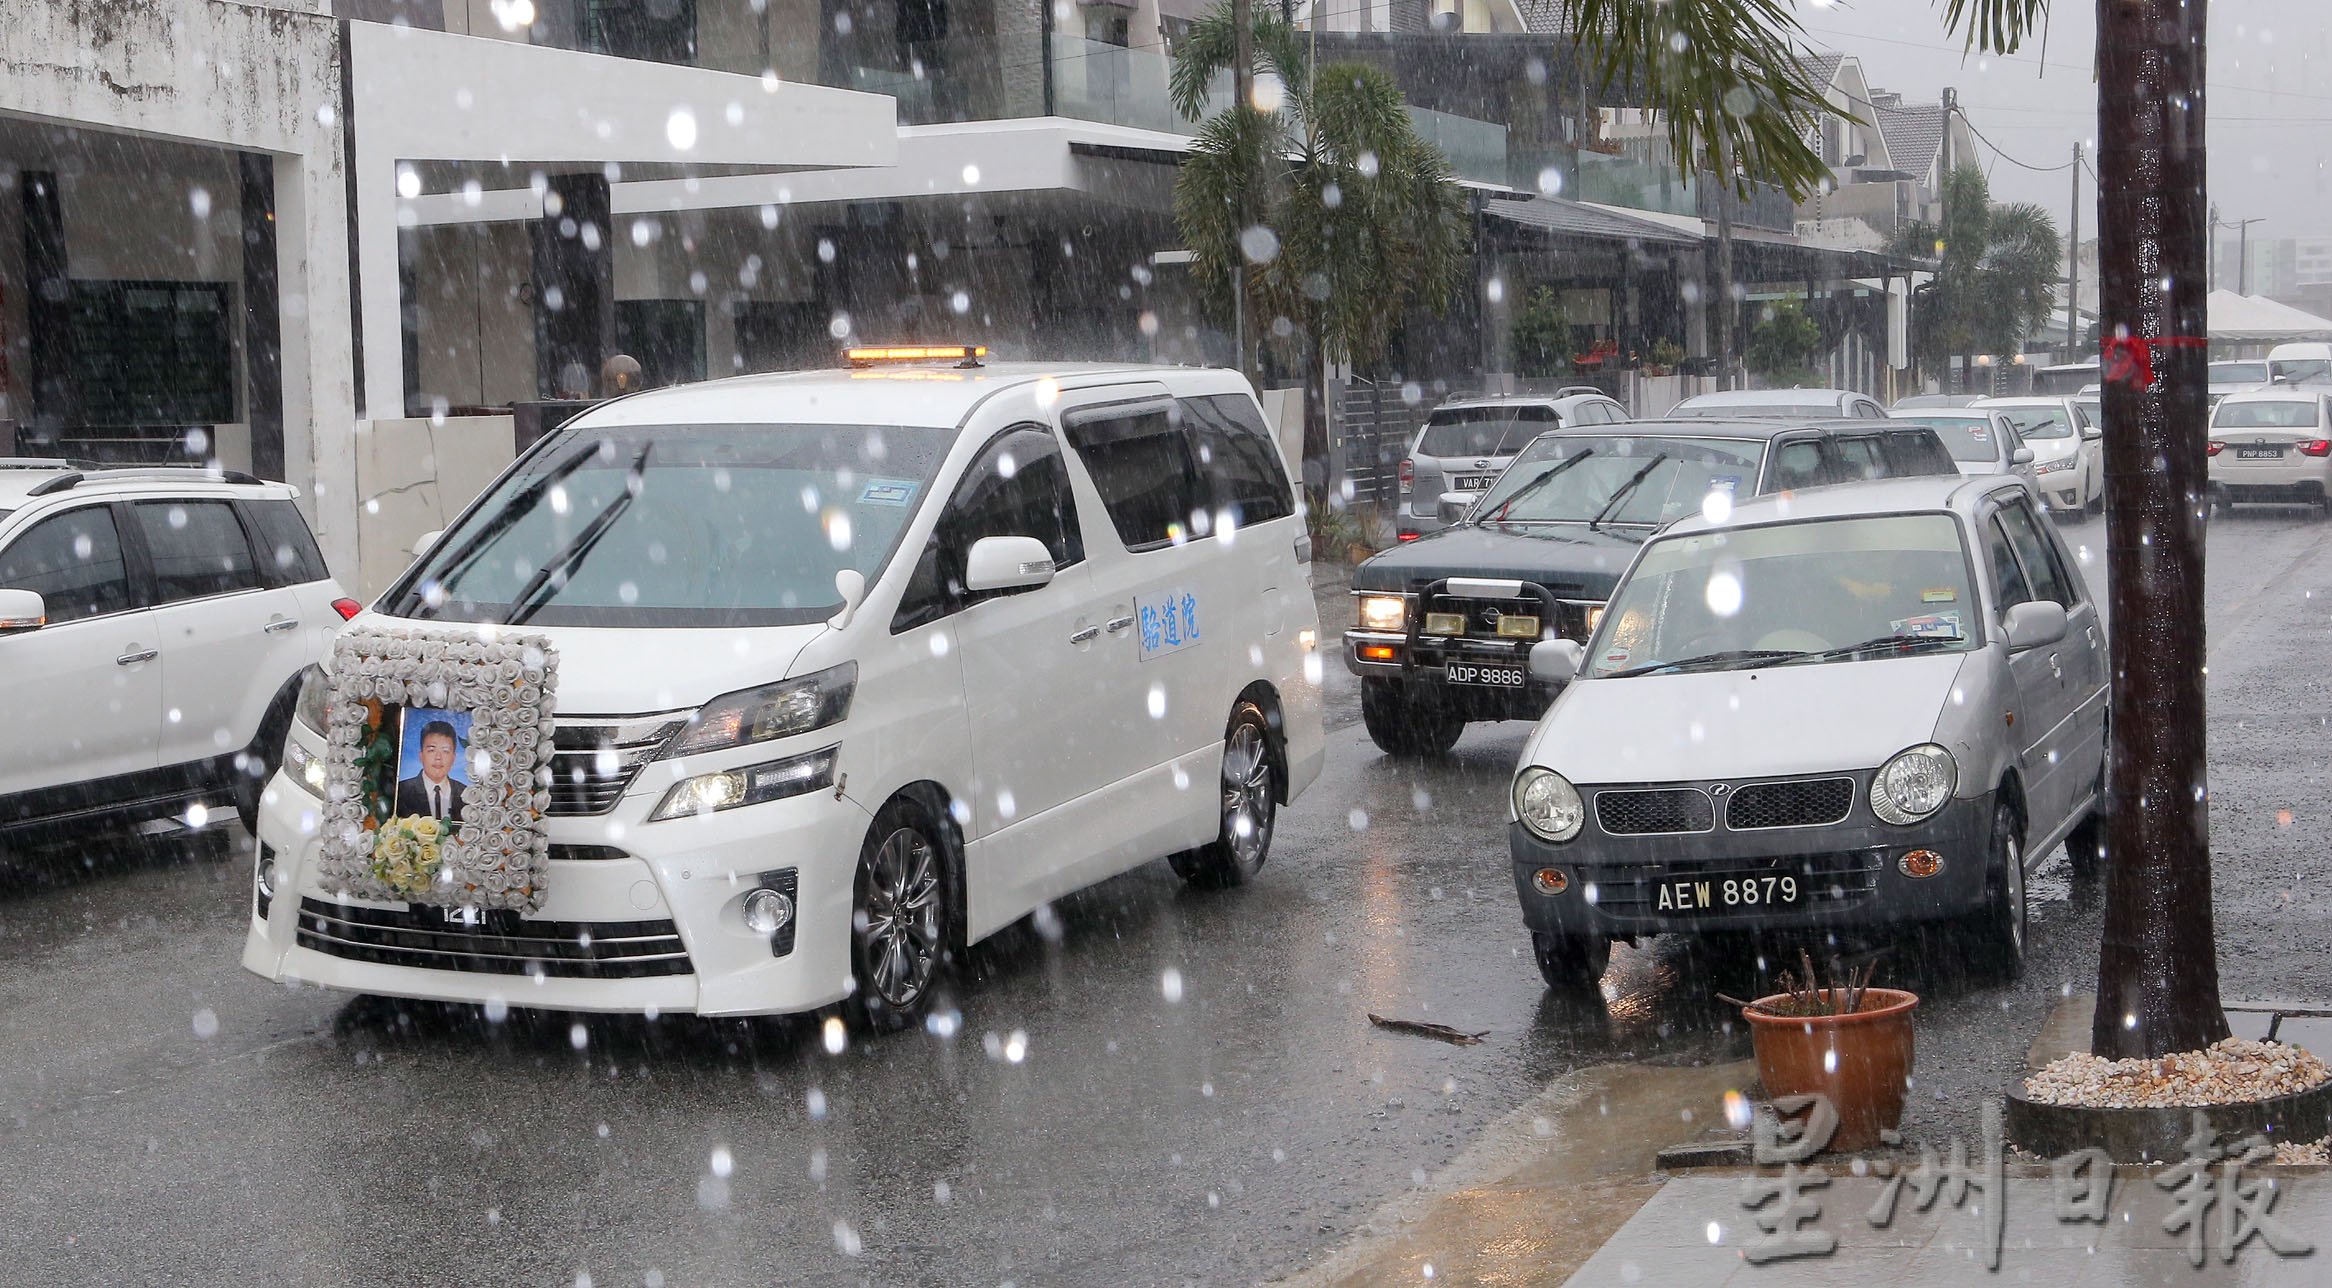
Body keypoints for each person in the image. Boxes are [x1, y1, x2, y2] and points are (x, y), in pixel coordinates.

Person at [393, 720, 466, 822]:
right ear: (421, 756)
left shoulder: (466, 794)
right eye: (431, 750)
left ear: (453, 758)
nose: (438, 757)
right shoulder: (400, 791)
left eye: (445, 751)